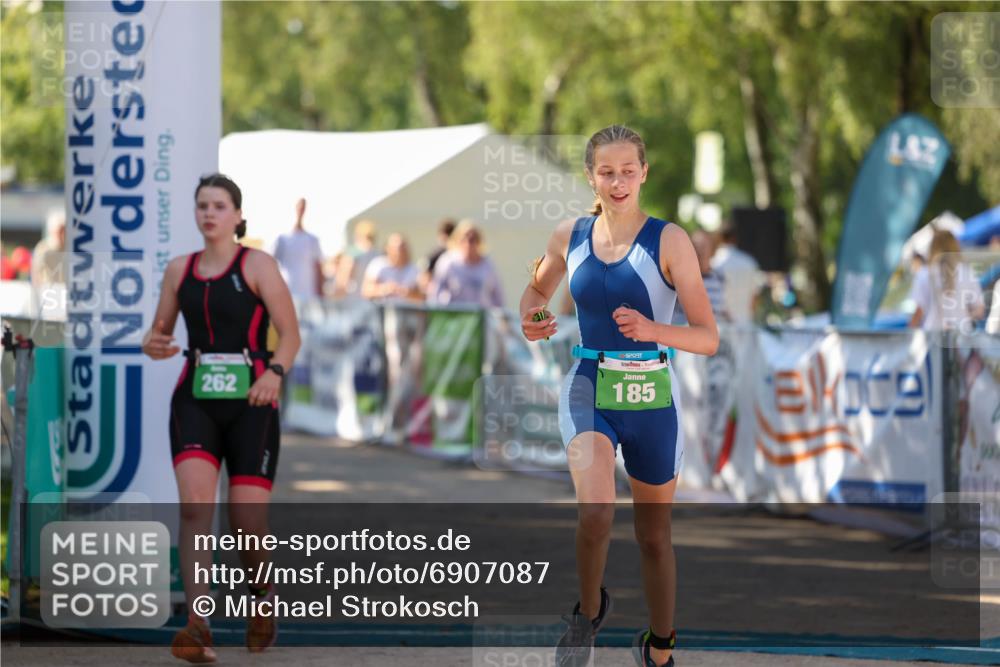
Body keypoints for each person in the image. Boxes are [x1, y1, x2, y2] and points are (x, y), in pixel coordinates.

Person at [520, 125, 718, 667]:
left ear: (644, 173)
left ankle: (659, 646)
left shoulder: (669, 241)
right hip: (589, 385)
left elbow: (708, 336)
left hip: (652, 393)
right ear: (591, 177)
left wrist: (656, 330)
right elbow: (537, 289)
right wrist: (532, 317)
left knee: (654, 537)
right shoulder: (570, 235)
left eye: (628, 170)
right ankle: (586, 617)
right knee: (597, 511)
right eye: (606, 172)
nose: (618, 181)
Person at [142, 174, 300, 663]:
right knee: (194, 508)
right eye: (202, 206)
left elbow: (291, 335)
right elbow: (158, 333)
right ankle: (198, 623)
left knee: (245, 522)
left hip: (253, 401)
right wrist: (154, 344)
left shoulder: (258, 265)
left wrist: (275, 372)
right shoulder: (178, 270)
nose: (209, 213)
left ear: (236, 215)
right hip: (194, 399)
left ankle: (262, 600)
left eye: (219, 206)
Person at [908, 229, 984, 332]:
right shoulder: (966, 272)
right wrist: (964, 317)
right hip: (961, 335)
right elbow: (979, 310)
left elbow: (919, 310)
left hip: (932, 335)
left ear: (933, 247)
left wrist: (909, 331)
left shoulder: (924, 273)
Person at [428, 220, 504, 308]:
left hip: (481, 317)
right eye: (464, 238)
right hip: (455, 316)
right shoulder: (448, 262)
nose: (468, 243)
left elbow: (497, 295)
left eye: (472, 239)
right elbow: (437, 292)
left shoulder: (487, 264)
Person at [272, 198, 325, 300]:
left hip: (308, 296)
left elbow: (318, 267)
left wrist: (320, 293)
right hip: (287, 294)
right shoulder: (281, 239)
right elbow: (271, 264)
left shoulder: (312, 240)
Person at [711, 219, 761, 324]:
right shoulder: (750, 262)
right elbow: (755, 297)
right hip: (745, 324)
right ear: (735, 238)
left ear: (719, 238)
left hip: (720, 325)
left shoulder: (713, 264)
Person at [672, 229, 727, 325]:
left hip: (713, 334)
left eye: (703, 246)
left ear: (712, 249)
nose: (699, 250)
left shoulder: (719, 277)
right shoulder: (679, 277)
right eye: (695, 246)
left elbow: (720, 308)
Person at [361, 233, 422, 301]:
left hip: (407, 309)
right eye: (397, 249)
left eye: (403, 248)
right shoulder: (378, 265)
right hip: (381, 309)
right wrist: (385, 289)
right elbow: (366, 291)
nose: (400, 252)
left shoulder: (414, 269)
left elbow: (422, 296)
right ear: (388, 249)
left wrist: (407, 292)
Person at [334, 219, 381, 296]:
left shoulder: (353, 253)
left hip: (353, 299)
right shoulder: (378, 254)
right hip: (371, 300)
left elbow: (343, 281)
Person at [31, 209, 66, 289]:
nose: (63, 233)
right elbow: (36, 271)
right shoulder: (43, 248)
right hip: (48, 291)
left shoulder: (69, 248)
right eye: (60, 230)